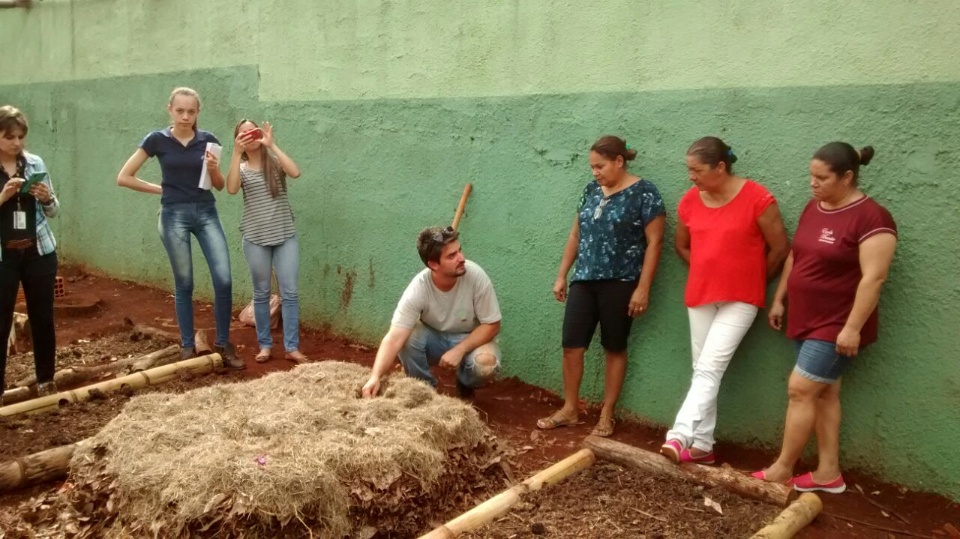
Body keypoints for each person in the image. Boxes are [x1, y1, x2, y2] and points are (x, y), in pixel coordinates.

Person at [753, 143, 896, 493]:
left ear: (847, 177)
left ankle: (782, 469)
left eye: (822, 177)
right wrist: (780, 298)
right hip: (806, 317)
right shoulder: (813, 208)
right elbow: (795, 258)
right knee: (826, 393)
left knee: (800, 390)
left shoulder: (873, 218)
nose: (813, 184)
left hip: (837, 323)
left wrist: (851, 328)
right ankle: (828, 473)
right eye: (811, 176)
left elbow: (873, 277)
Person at [661, 136, 789, 464]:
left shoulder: (758, 199)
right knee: (701, 368)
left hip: (742, 299)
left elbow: (779, 249)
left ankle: (679, 434)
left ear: (720, 167)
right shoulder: (690, 200)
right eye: (688, 169)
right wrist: (708, 270)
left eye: (697, 169)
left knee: (709, 367)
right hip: (701, 295)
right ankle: (702, 445)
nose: (691, 176)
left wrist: (753, 280)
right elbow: (682, 246)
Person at [536, 135, 665, 438]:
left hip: (621, 283)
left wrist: (643, 287)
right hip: (584, 280)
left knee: (614, 347)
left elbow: (655, 243)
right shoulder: (591, 191)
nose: (595, 172)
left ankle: (607, 414)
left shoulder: (645, 193)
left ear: (619, 161)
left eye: (600, 166)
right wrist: (561, 274)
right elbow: (575, 236)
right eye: (592, 166)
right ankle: (570, 409)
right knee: (571, 345)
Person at [116, 87, 244, 369]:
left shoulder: (208, 140)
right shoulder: (156, 139)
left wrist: (213, 169)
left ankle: (223, 344)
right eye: (180, 110)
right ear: (170, 109)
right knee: (184, 283)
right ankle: (187, 346)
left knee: (223, 279)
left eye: (191, 111)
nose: (185, 116)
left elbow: (220, 185)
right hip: (173, 214)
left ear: (198, 112)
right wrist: (159, 190)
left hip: (206, 210)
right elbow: (124, 177)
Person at [361, 226, 502, 399]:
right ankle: (425, 390)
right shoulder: (419, 288)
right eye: (452, 256)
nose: (462, 258)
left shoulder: (476, 276)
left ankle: (465, 383)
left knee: (486, 364)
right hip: (432, 338)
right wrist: (375, 377)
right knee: (407, 337)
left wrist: (459, 350)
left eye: (459, 251)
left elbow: (492, 325)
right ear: (433, 265)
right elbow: (394, 337)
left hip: (468, 338)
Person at [225, 120, 305, 364]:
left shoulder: (274, 163)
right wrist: (236, 153)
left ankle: (292, 347)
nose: (249, 136)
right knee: (261, 293)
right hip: (256, 238)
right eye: (243, 134)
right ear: (238, 139)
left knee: (289, 293)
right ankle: (265, 346)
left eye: (252, 131)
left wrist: (272, 145)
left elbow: (295, 172)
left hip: (284, 235)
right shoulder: (242, 167)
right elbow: (230, 188)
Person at [0, 105, 61, 404]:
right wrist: (3, 197)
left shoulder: (34, 163)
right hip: (4, 257)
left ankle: (47, 381)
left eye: (21, 137)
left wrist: (47, 198)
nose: (17, 143)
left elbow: (54, 211)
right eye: (9, 137)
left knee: (43, 317)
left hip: (38, 252)